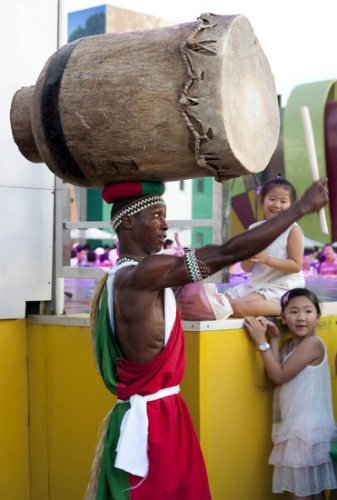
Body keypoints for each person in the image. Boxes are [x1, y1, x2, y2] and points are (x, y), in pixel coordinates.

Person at [86, 178, 328, 500]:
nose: (165, 225)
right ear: (128, 221)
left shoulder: (124, 278)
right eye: (156, 215)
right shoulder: (141, 275)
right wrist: (299, 208)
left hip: (163, 415)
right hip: (153, 427)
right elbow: (228, 252)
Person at [244, 288, 337, 499]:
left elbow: (279, 376)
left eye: (308, 311)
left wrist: (261, 341)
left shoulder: (313, 344)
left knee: (301, 495)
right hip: (298, 430)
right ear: (284, 318)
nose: (301, 317)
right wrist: (274, 338)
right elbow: (272, 373)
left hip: (307, 433)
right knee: (312, 493)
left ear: (318, 317)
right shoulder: (289, 346)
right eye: (294, 312)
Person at [225, 177, 305, 317]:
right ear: (262, 202)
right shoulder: (254, 229)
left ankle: (289, 309)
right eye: (272, 199)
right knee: (221, 304)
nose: (277, 205)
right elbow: (246, 268)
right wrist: (250, 257)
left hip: (282, 287)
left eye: (283, 201)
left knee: (237, 307)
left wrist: (266, 259)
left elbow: (296, 265)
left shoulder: (293, 230)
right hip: (256, 285)